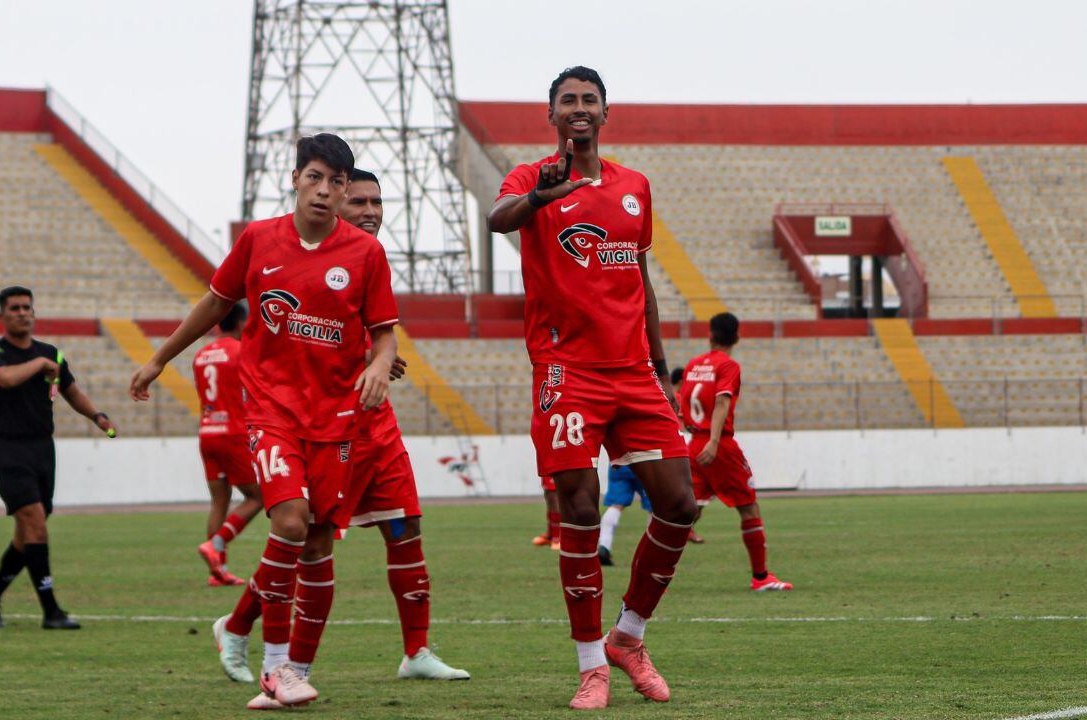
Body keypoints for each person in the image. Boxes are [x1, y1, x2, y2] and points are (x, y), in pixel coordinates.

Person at [129, 134, 399, 711]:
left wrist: (379, 363)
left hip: (337, 417)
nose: (325, 191)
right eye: (315, 178)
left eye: (336, 182)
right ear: (296, 178)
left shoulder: (366, 255)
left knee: (321, 541)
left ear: (346, 187)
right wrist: (158, 358)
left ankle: (291, 670)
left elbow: (384, 334)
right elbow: (213, 302)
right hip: (270, 409)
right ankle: (275, 666)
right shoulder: (257, 239)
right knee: (293, 523)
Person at [487, 66, 700, 710]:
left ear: (606, 114)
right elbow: (500, 218)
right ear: (551, 115)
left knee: (681, 504)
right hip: (565, 371)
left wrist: (662, 374)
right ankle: (590, 668)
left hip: (633, 371)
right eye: (567, 102)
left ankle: (627, 637)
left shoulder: (635, 186)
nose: (579, 110)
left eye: (589, 101)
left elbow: (640, 281)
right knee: (579, 512)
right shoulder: (532, 179)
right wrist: (543, 199)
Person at [333, 168, 469, 680]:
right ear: (335, 200)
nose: (370, 210)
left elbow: (374, 331)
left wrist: (374, 357)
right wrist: (364, 358)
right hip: (330, 426)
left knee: (405, 526)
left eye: (377, 200)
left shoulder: (373, 258)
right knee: (305, 537)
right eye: (359, 201)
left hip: (376, 422)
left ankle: (416, 653)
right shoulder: (314, 256)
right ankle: (238, 626)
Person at [0, 286, 117, 630]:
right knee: (35, 522)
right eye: (15, 308)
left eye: (27, 307)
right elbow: (5, 380)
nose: (22, 313)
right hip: (9, 449)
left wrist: (96, 416)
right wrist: (38, 364)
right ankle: (51, 612)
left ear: (34, 313)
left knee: (28, 532)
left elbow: (71, 391)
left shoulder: (52, 354)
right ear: (2, 316)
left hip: (42, 449)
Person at [680, 313, 793, 593]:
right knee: (748, 506)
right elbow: (722, 402)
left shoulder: (693, 365)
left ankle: (654, 574)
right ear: (737, 338)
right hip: (717, 446)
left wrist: (696, 433)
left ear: (710, 335)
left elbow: (683, 401)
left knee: (686, 514)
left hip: (693, 443)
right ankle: (761, 576)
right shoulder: (728, 366)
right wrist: (715, 441)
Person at [194, 302, 264, 587]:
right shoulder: (240, 351)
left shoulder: (201, 355)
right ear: (240, 323)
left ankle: (217, 572)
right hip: (233, 432)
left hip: (208, 431)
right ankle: (218, 543)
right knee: (258, 496)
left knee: (219, 501)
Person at [596, 463, 651, 566]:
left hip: (619, 463)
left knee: (616, 506)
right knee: (654, 508)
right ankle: (653, 552)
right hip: (644, 462)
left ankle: (604, 547)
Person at [532, 476, 562, 549]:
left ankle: (557, 538)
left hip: (557, 465)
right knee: (549, 494)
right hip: (546, 466)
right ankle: (551, 535)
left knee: (554, 495)